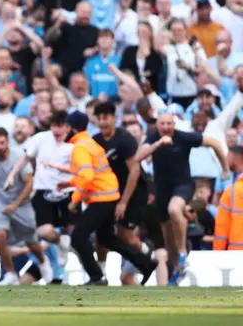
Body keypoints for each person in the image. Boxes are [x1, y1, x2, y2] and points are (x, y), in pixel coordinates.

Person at [54, 111, 157, 286]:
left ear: (72, 128)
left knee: (78, 237)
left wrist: (75, 199)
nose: (62, 131)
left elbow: (86, 176)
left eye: (65, 127)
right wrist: (69, 183)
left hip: (101, 198)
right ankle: (145, 263)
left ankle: (96, 277)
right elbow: (92, 173)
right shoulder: (90, 143)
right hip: (109, 195)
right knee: (107, 238)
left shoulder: (80, 147)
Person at [136, 112, 229, 284]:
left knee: (174, 208)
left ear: (174, 124)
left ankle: (182, 252)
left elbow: (213, 142)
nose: (166, 127)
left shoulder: (183, 137)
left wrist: (225, 168)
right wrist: (157, 144)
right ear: (157, 125)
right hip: (162, 189)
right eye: (162, 124)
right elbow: (138, 157)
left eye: (169, 124)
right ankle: (178, 269)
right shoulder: (153, 138)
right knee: (167, 233)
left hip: (183, 184)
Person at [92, 102, 168, 284]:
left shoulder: (124, 140)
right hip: (110, 193)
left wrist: (124, 202)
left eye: (106, 117)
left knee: (124, 234)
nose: (103, 122)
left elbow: (134, 171)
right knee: (100, 233)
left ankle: (146, 252)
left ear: (113, 118)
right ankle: (100, 273)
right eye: (99, 118)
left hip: (134, 193)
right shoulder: (95, 141)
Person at [0, 127, 53, 285]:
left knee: (31, 241)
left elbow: (29, 183)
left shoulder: (18, 157)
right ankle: (10, 273)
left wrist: (15, 205)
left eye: (2, 143)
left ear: (7, 142)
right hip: (0, 202)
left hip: (22, 203)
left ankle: (43, 260)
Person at [5, 110, 72, 267]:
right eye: (54, 126)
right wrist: (12, 175)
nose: (57, 130)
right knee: (43, 232)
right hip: (43, 190)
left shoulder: (74, 144)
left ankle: (93, 271)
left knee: (77, 234)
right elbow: (26, 157)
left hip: (68, 191)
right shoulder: (40, 139)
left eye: (61, 126)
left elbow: (80, 169)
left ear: (68, 128)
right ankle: (60, 241)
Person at [214, 145, 243, 251]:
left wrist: (217, 254)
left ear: (235, 158)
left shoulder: (231, 191)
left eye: (227, 157)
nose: (225, 160)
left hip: (236, 254)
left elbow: (221, 228)